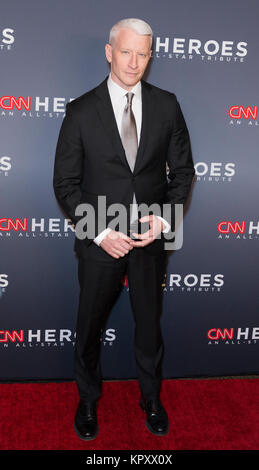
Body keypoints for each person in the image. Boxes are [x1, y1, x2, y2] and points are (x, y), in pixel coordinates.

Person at [53, 17, 195, 440]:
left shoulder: (167, 104)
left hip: (151, 239)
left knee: (149, 327)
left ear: (151, 56)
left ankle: (151, 399)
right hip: (100, 242)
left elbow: (183, 172)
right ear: (109, 51)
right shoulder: (80, 110)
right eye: (127, 52)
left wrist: (165, 219)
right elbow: (65, 183)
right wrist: (100, 231)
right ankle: (88, 400)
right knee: (89, 326)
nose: (134, 63)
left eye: (143, 54)